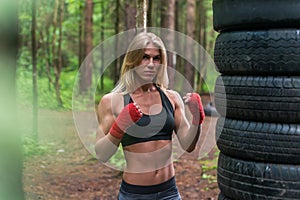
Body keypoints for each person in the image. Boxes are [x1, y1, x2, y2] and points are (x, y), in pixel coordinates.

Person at [95, 32, 205, 200]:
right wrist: (120, 126)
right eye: (145, 57)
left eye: (156, 58)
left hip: (169, 192)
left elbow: (188, 145)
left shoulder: (172, 98)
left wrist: (196, 119)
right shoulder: (113, 101)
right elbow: (102, 153)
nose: (151, 64)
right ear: (133, 60)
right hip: (135, 194)